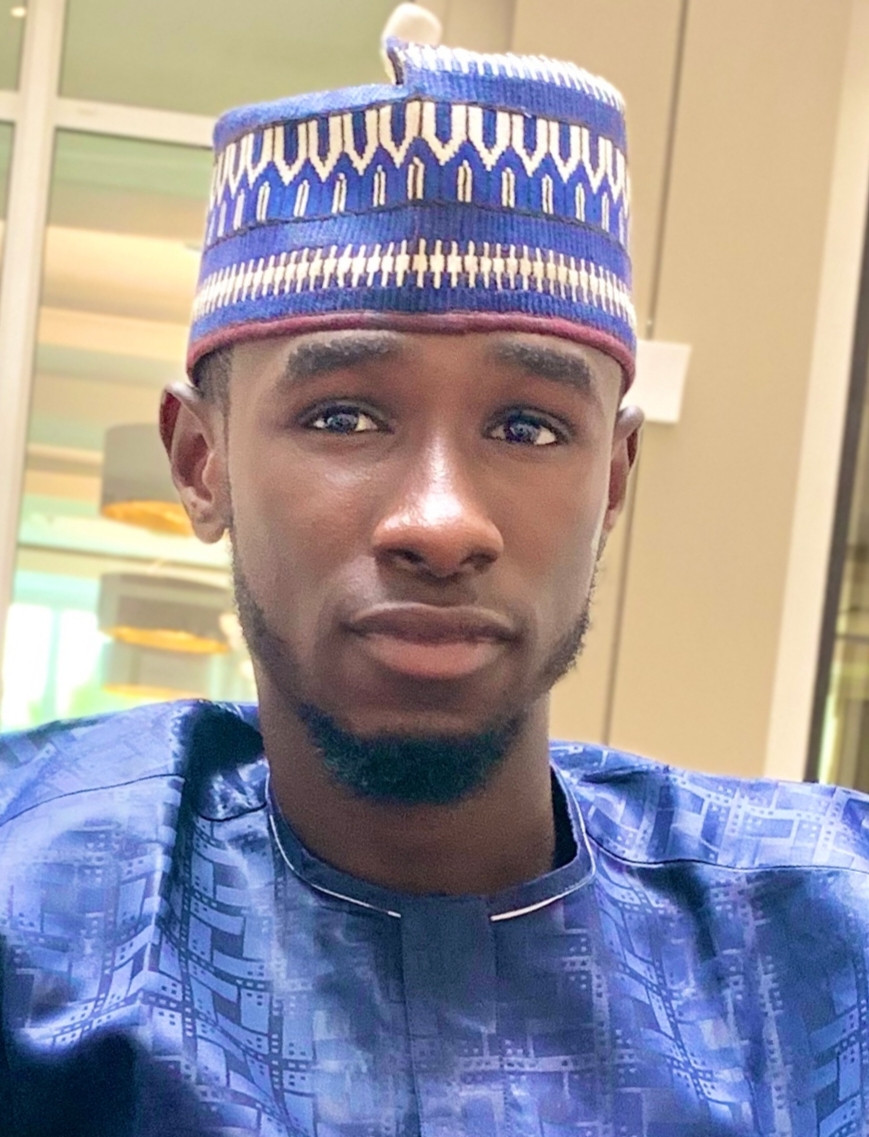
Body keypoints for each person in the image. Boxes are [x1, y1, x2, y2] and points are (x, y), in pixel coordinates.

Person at [1, 8, 868, 1136]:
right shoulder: (41, 916)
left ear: (612, 480)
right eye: (344, 416)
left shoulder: (816, 938)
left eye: (527, 427)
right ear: (202, 463)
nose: (443, 522)